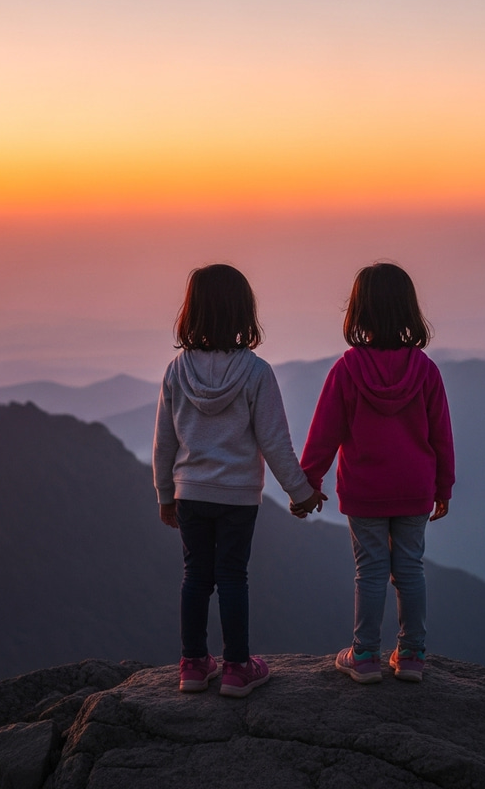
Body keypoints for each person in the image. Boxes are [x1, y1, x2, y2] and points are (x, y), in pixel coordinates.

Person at [153, 264, 325, 697]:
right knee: (232, 577)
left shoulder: (176, 371)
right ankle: (236, 668)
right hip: (238, 497)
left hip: (190, 492)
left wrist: (165, 495)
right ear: (243, 313)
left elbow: (163, 442)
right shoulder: (256, 372)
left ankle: (192, 665)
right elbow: (274, 441)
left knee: (195, 576)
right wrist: (301, 493)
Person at [291, 262, 454, 684]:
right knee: (411, 568)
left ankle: (364, 655)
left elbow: (324, 433)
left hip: (364, 489)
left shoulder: (347, 371)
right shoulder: (425, 371)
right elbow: (441, 435)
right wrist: (444, 487)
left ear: (357, 312)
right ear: (408, 311)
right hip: (415, 487)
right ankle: (413, 654)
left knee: (371, 570)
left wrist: (307, 483)